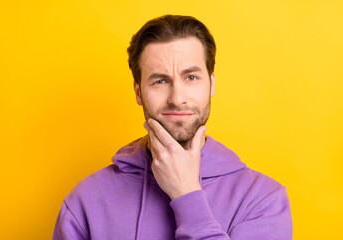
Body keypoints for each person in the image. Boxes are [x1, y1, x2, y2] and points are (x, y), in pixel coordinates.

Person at [53, 15, 293, 240]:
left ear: (211, 84)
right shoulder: (86, 201)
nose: (177, 98)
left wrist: (186, 194)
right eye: (160, 81)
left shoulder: (262, 200)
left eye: (191, 78)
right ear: (138, 92)